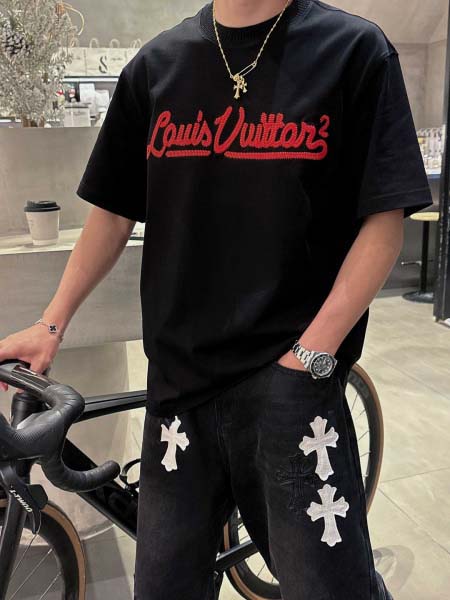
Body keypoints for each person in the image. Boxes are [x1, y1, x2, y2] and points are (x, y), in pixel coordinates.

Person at [0, 0, 433, 598]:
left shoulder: (352, 51)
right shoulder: (156, 67)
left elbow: (383, 219)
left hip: (290, 388)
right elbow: (113, 212)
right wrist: (51, 323)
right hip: (178, 393)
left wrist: (309, 357)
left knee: (329, 588)